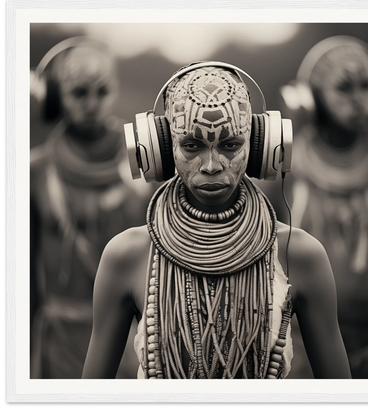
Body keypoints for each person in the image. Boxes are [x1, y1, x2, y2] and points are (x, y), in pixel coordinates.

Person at [82, 62, 351, 379]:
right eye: (192, 145)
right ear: (161, 149)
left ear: (260, 144)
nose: (211, 165)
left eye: (230, 145)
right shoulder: (127, 256)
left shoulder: (299, 253)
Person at [30, 37, 156, 379]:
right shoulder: (36, 171)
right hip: (62, 339)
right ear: (53, 97)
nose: (92, 104)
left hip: (135, 337)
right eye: (79, 93)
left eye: (102, 92)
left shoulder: (145, 165)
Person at [269, 36, 368, 379]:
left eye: (367, 86)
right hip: (300, 344)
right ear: (308, 100)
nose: (360, 100)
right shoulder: (283, 167)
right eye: (344, 88)